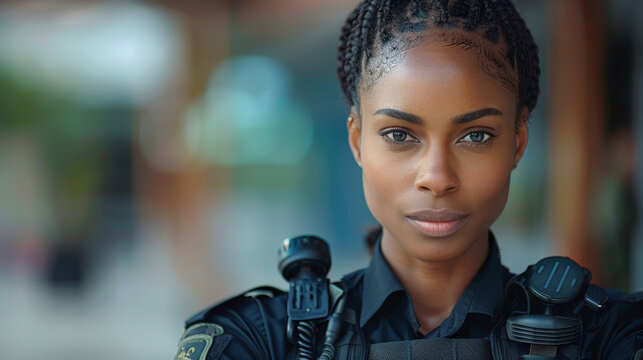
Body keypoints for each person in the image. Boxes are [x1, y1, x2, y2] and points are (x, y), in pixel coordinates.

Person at [173, 1, 643, 359]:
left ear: (518, 142)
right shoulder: (259, 339)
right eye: (399, 134)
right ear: (357, 140)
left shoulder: (608, 335)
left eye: (476, 135)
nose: (436, 177)